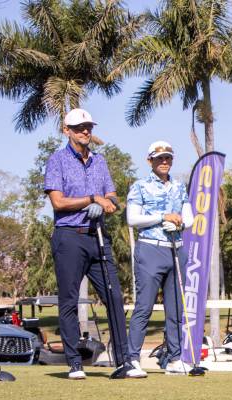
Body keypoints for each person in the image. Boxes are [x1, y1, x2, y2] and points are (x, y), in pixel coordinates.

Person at [44, 108, 131, 380]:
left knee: (114, 298)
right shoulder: (56, 161)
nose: (85, 131)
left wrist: (106, 205)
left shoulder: (100, 161)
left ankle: (124, 361)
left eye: (88, 127)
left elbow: (113, 199)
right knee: (69, 301)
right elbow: (58, 202)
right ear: (66, 130)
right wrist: (92, 199)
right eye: (80, 127)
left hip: (98, 236)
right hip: (69, 237)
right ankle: (74, 363)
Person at [126, 141, 194, 376]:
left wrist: (180, 222)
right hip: (150, 249)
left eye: (168, 158)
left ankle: (175, 358)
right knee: (144, 306)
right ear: (150, 161)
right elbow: (132, 219)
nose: (164, 162)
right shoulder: (140, 186)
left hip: (176, 248)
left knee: (175, 308)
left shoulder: (178, 186)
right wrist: (161, 217)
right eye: (159, 158)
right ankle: (132, 359)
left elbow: (189, 217)